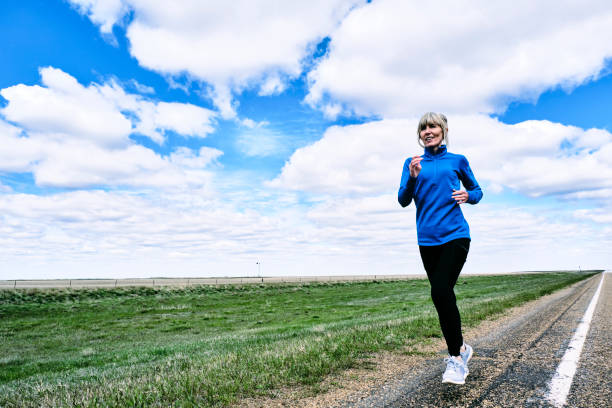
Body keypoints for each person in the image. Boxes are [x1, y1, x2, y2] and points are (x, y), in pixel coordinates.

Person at [398, 112, 482, 385]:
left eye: (433, 126)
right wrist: (412, 177)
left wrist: (469, 196)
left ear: (443, 130)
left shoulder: (457, 160)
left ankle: (456, 360)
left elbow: (478, 191)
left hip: (456, 235)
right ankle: (462, 349)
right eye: (423, 128)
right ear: (419, 134)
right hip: (427, 241)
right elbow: (402, 200)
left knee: (440, 290)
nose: (428, 131)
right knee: (441, 296)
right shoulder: (412, 163)